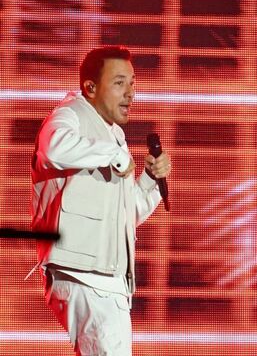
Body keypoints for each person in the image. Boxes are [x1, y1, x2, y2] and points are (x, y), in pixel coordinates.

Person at [32, 45, 171, 355]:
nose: (130, 93)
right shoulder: (71, 114)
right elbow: (53, 147)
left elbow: (126, 213)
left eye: (133, 83)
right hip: (82, 273)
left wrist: (149, 181)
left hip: (108, 279)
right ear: (90, 87)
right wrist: (115, 156)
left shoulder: (114, 136)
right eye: (119, 83)